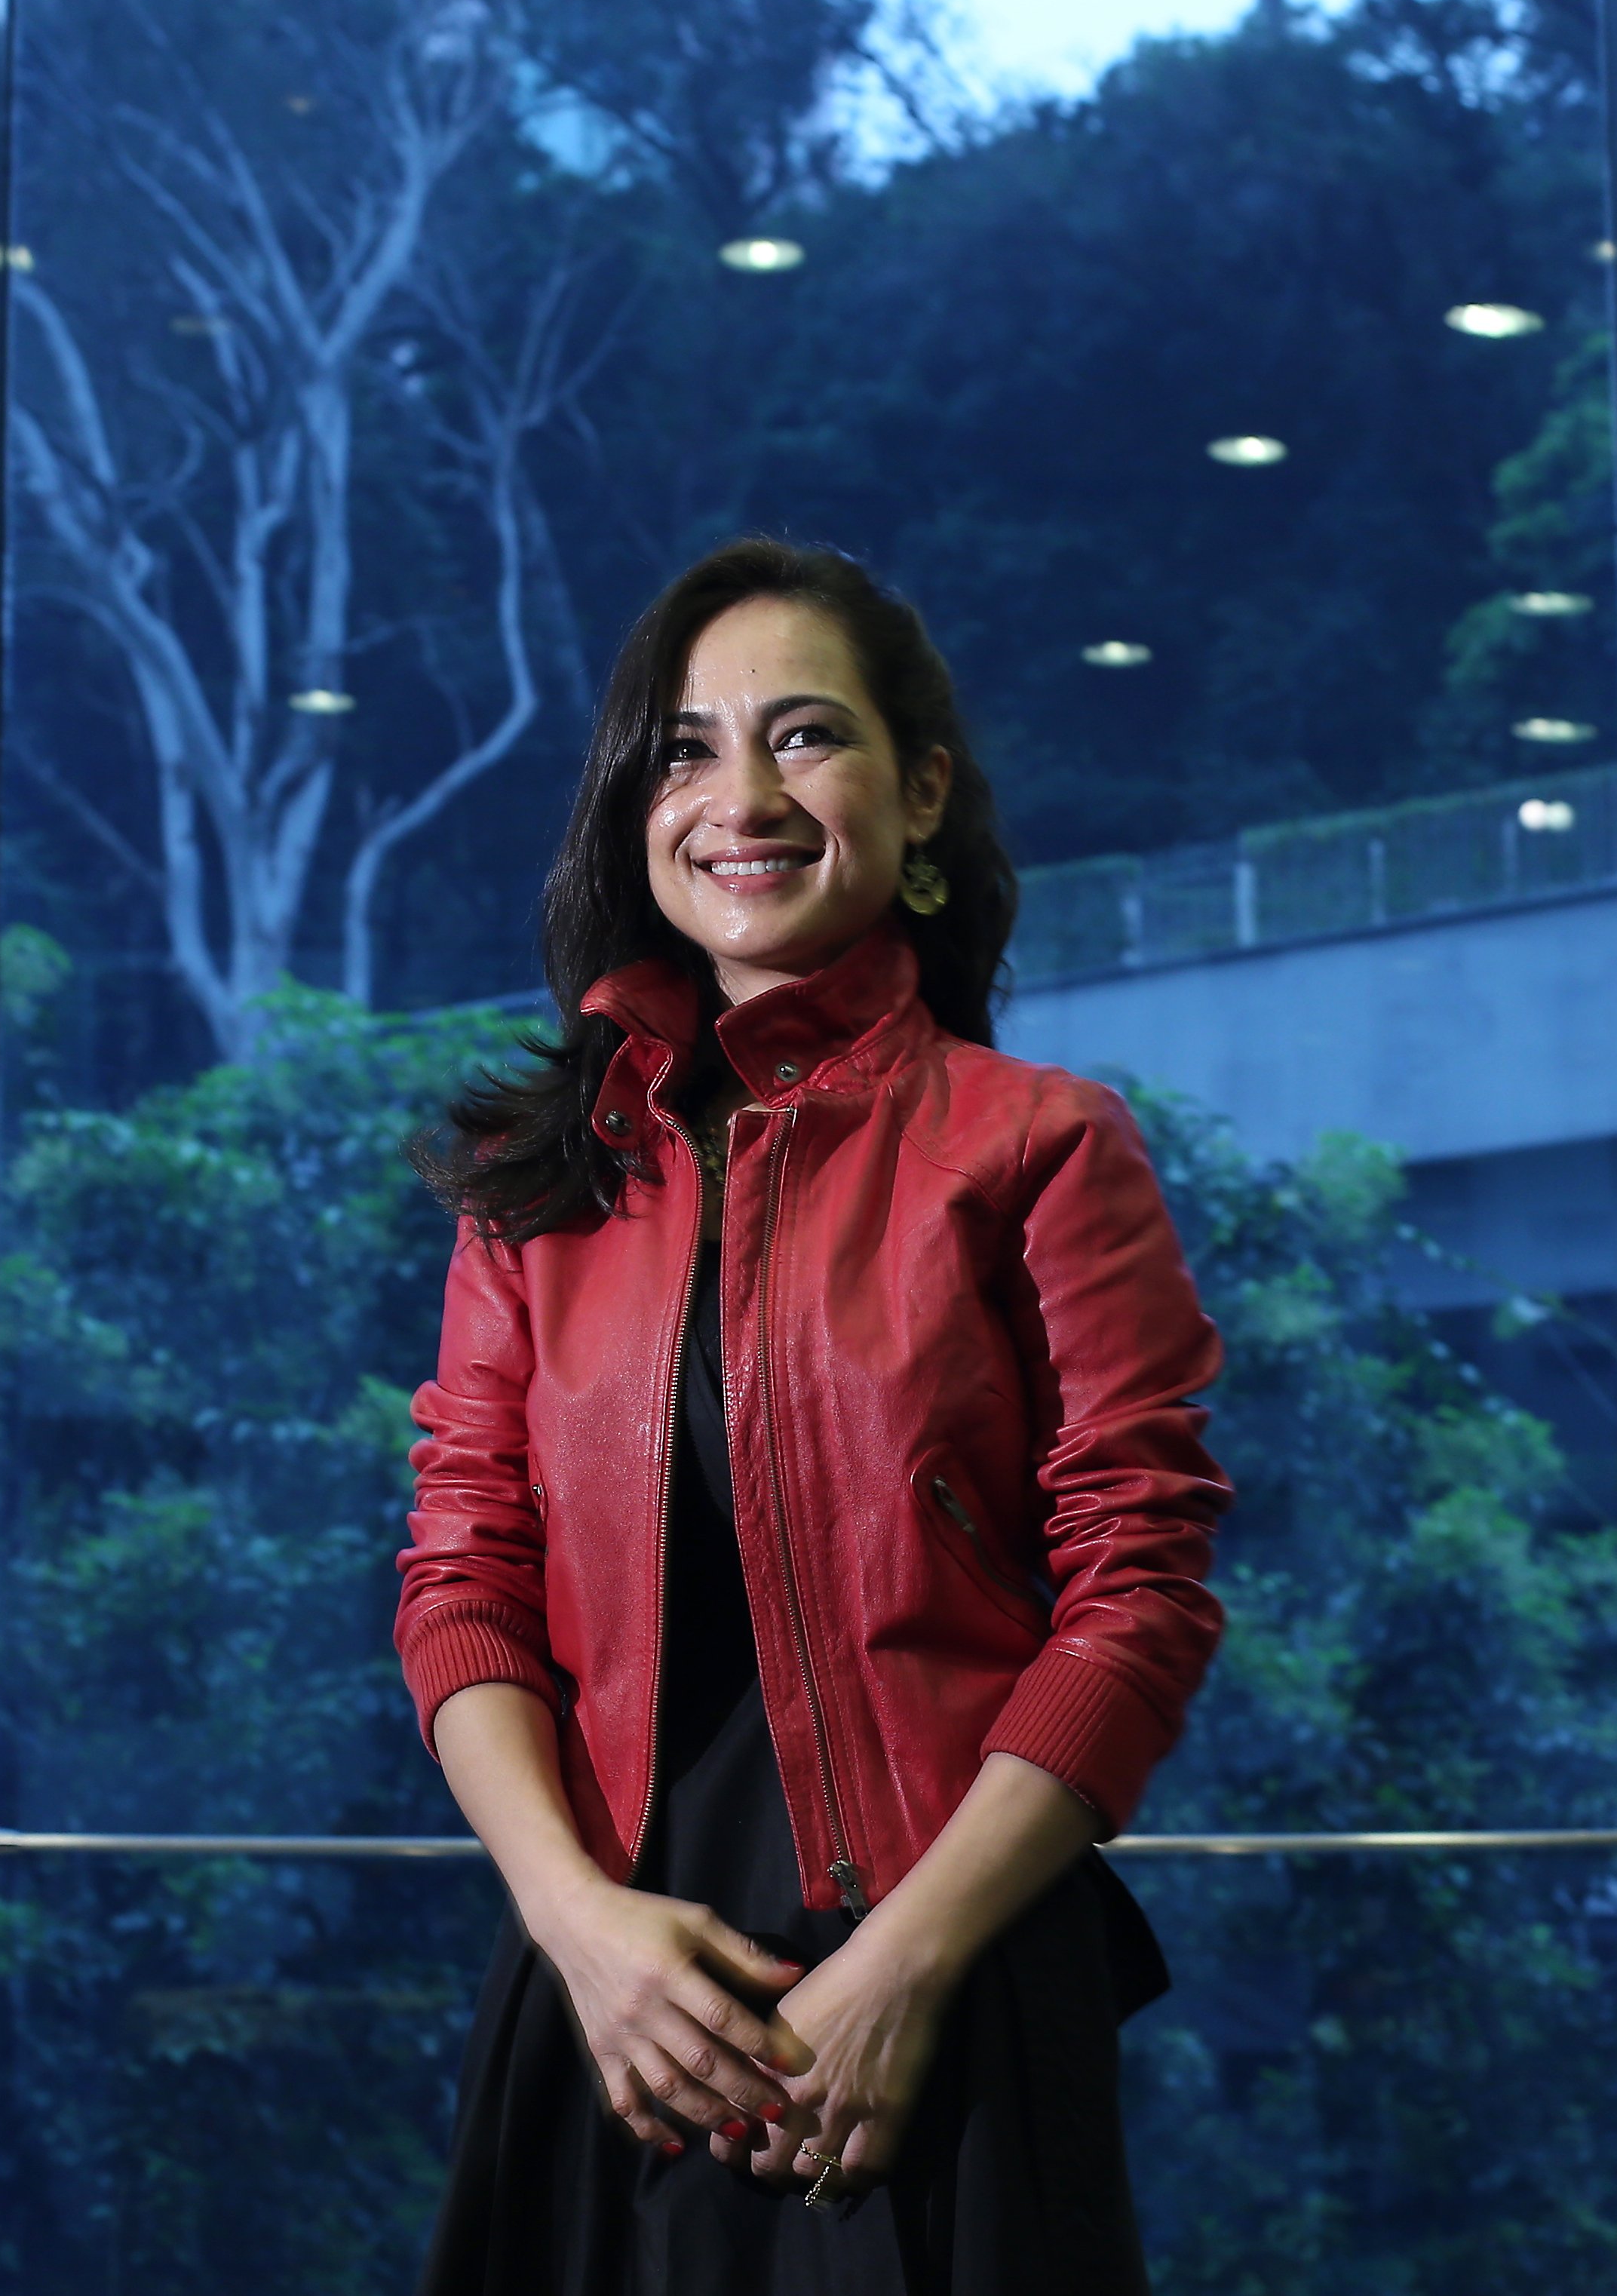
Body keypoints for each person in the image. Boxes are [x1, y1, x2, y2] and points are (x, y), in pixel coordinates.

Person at [398, 538, 1229, 2294]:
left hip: (940, 1975)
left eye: (804, 736)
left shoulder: (1038, 1142)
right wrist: (577, 1928)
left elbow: (1139, 1593)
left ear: (919, 792)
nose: (740, 796)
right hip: (618, 1989)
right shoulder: (535, 1186)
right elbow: (460, 1581)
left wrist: (907, 1964)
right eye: (685, 751)